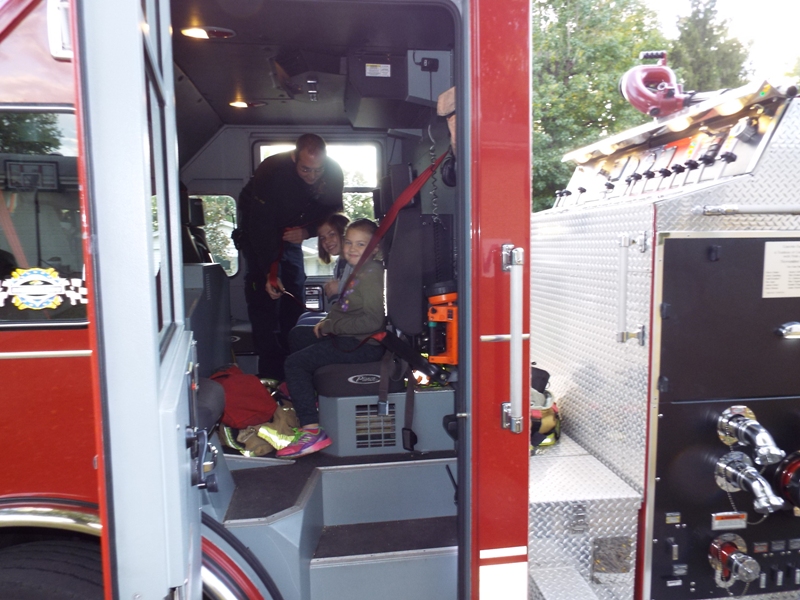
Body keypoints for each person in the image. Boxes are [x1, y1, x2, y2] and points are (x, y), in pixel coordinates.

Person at [236, 134, 344, 381]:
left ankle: (293, 364)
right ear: (294, 157)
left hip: (294, 231)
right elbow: (260, 223)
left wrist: (307, 231)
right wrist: (268, 271)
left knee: (293, 291)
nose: (312, 176)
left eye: (318, 170)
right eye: (306, 169)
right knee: (264, 297)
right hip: (259, 228)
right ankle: (270, 373)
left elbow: (333, 213)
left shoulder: (333, 173)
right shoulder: (272, 169)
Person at [277, 219, 386, 458]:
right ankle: (309, 400)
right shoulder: (358, 270)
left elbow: (373, 321)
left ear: (375, 248)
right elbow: (348, 308)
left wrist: (332, 327)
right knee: (298, 337)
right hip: (351, 338)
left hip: (363, 345)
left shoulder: (371, 274)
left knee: (294, 364)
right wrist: (328, 323)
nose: (352, 248)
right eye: (349, 242)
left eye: (361, 244)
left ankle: (311, 431)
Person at [295, 213, 350, 327]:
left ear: (345, 234)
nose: (327, 241)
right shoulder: (340, 262)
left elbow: (363, 288)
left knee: (299, 331)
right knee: (303, 318)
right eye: (322, 238)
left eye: (332, 234)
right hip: (343, 315)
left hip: (352, 320)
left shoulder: (354, 262)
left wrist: (340, 287)